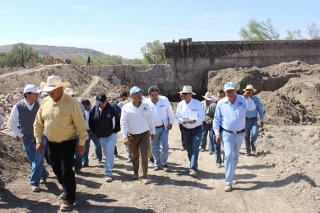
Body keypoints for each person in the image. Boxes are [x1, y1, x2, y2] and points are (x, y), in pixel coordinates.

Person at [34, 75, 88, 211]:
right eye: (48, 91)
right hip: (51, 142)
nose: (50, 93)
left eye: (52, 91)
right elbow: (38, 123)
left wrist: (82, 143)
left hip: (68, 142)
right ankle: (67, 189)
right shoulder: (45, 102)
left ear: (60, 89)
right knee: (55, 167)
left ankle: (69, 199)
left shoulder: (73, 103)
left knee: (66, 170)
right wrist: (39, 140)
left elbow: (81, 126)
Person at [213, 82, 256, 192]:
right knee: (228, 155)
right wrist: (217, 133)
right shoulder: (221, 103)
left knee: (236, 156)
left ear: (236, 90)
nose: (230, 93)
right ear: (225, 92)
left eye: (232, 90)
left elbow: (252, 108)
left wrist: (248, 99)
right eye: (228, 91)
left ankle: (232, 174)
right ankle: (228, 182)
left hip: (240, 133)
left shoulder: (242, 100)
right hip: (226, 133)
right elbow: (217, 119)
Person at [8, 84, 49, 192]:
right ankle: (44, 173)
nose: (37, 95)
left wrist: (43, 133)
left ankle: (34, 182)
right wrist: (20, 135)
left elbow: (48, 120)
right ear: (27, 94)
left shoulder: (40, 104)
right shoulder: (18, 107)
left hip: (40, 138)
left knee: (38, 158)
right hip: (27, 138)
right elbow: (12, 123)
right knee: (33, 160)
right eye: (35, 93)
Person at [120, 86, 155, 184]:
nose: (140, 95)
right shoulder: (126, 108)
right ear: (132, 96)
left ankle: (143, 176)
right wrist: (124, 136)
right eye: (138, 94)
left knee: (144, 155)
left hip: (144, 134)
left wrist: (153, 132)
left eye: (141, 93)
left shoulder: (145, 106)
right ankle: (136, 172)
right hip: (132, 135)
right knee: (134, 155)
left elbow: (150, 120)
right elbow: (123, 122)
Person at [89, 93, 121, 182]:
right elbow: (91, 122)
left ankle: (108, 172)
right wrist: (94, 132)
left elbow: (118, 119)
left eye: (102, 103)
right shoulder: (93, 109)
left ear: (106, 101)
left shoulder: (113, 108)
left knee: (110, 150)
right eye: (98, 103)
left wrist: (116, 130)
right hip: (101, 135)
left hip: (112, 134)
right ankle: (110, 164)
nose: (100, 105)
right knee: (106, 151)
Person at [176, 85, 205, 177]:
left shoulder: (197, 103)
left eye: (184, 93)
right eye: (182, 93)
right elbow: (178, 116)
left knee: (195, 149)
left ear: (190, 94)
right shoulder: (180, 104)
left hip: (197, 130)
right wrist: (182, 121)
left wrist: (195, 121)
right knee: (189, 150)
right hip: (186, 131)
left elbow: (202, 116)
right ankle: (194, 165)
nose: (183, 95)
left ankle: (192, 168)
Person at [146, 86, 174, 172]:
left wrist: (171, 122)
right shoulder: (146, 103)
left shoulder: (164, 100)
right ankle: (157, 164)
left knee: (164, 146)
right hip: (152, 129)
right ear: (149, 95)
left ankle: (164, 163)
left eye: (156, 94)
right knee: (154, 147)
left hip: (163, 127)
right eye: (152, 95)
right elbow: (145, 117)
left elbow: (170, 111)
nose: (155, 96)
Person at [64, 87, 86, 173]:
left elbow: (82, 119)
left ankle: (77, 166)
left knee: (77, 150)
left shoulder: (78, 105)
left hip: (76, 132)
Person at [243, 85, 265, 156]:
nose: (248, 91)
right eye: (247, 90)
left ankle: (252, 143)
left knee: (255, 133)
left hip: (254, 119)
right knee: (246, 136)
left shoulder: (256, 99)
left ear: (252, 91)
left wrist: (262, 119)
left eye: (250, 90)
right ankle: (248, 151)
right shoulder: (243, 99)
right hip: (245, 120)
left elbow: (260, 110)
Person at [206, 90, 225, 168]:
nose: (220, 98)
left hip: (226, 129)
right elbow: (207, 116)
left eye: (222, 96)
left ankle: (226, 159)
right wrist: (212, 121)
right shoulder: (213, 106)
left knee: (226, 146)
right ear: (216, 97)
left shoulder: (228, 106)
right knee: (217, 146)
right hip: (215, 129)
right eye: (219, 96)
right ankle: (218, 161)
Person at [81, 99, 102, 166]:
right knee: (85, 147)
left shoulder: (95, 110)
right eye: (84, 108)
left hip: (94, 131)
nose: (86, 109)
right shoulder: (81, 111)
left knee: (98, 145)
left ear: (89, 105)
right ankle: (85, 161)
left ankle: (99, 158)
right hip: (86, 131)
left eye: (86, 107)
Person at [118, 91, 131, 163]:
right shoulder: (120, 104)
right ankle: (130, 156)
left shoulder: (131, 102)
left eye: (124, 98)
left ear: (127, 97)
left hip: (132, 126)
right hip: (125, 126)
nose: (123, 100)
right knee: (127, 142)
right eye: (122, 98)